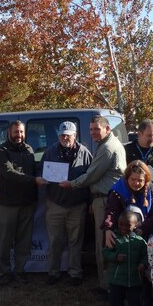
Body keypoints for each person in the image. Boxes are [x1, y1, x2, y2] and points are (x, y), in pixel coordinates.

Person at [59, 115, 126, 294]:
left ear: (107, 129)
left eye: (97, 129)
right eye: (91, 129)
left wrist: (71, 184)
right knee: (105, 242)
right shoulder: (106, 145)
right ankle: (107, 284)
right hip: (102, 198)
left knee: (104, 244)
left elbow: (92, 175)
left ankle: (108, 288)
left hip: (106, 200)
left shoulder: (107, 148)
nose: (93, 132)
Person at [0, 120, 47, 285]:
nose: (19, 135)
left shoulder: (29, 149)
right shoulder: (1, 151)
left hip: (27, 202)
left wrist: (53, 172)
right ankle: (4, 272)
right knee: (5, 240)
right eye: (16, 132)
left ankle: (20, 270)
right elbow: (9, 173)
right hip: (7, 203)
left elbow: (35, 169)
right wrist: (34, 180)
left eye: (22, 132)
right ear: (9, 133)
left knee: (24, 240)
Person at [41, 121, 92, 285]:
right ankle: (53, 272)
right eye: (62, 135)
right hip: (55, 203)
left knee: (75, 241)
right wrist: (44, 180)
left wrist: (88, 202)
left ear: (75, 135)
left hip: (77, 205)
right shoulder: (49, 152)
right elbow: (40, 173)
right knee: (55, 240)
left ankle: (75, 273)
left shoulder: (85, 154)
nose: (65, 138)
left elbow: (91, 179)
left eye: (68, 135)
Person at [102, 211, 148, 306]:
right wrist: (115, 257)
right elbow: (106, 252)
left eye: (127, 225)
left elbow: (146, 256)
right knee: (116, 304)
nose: (123, 228)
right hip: (116, 280)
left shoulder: (140, 242)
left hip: (134, 280)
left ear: (135, 226)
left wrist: (143, 264)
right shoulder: (114, 238)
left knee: (135, 304)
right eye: (120, 225)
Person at [103, 160, 153, 247]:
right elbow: (111, 211)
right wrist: (108, 229)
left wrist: (143, 229)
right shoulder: (117, 191)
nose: (136, 183)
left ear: (145, 180)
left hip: (146, 234)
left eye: (140, 180)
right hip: (121, 234)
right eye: (133, 179)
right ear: (127, 178)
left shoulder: (151, 192)